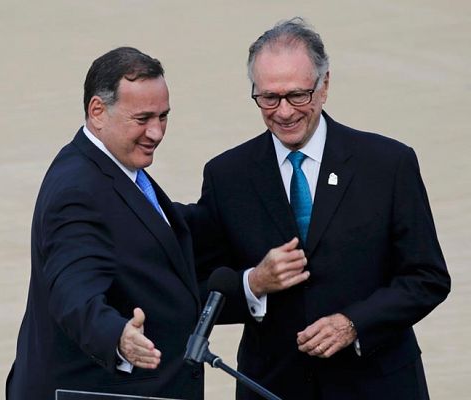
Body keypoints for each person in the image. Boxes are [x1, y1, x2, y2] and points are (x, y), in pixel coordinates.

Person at [181, 18, 451, 399]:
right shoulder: (228, 175)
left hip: (377, 385)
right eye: (269, 98)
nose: (284, 112)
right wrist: (254, 283)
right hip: (273, 386)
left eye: (297, 95)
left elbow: (427, 278)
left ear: (324, 86)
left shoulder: (388, 164)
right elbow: (197, 293)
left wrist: (353, 323)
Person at [6, 47, 204, 399]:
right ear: (97, 111)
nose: (156, 132)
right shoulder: (77, 189)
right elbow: (72, 290)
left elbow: (149, 229)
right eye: (143, 119)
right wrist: (117, 337)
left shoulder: (116, 169)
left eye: (163, 116)